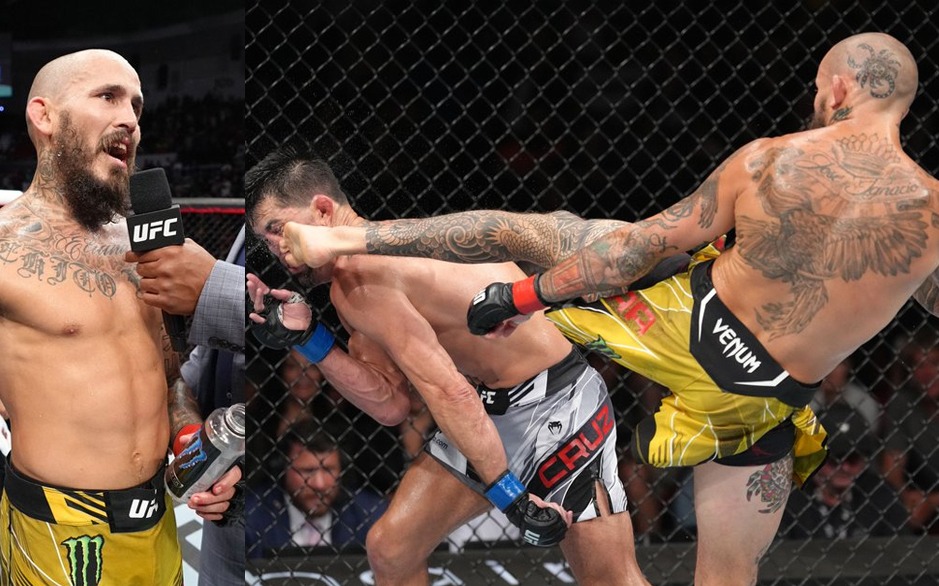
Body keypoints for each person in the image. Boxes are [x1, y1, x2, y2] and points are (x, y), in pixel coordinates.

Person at [281, 32, 939, 585]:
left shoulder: (770, 160)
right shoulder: (933, 216)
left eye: (819, 89)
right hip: (759, 397)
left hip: (679, 322)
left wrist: (523, 295)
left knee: (529, 234)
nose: (816, 101)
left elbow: (636, 249)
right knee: (727, 574)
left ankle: (352, 238)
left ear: (839, 89)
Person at [246, 147, 650, 585]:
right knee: (392, 549)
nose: (278, 250)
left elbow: (449, 390)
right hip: (491, 409)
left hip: (559, 405)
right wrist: (309, 339)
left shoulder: (364, 277)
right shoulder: (354, 280)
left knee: (610, 579)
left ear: (323, 210)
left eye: (278, 230)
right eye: (267, 241)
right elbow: (391, 403)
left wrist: (511, 498)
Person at [0, 49, 235, 585]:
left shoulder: (153, 251)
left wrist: (190, 438)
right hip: (57, 534)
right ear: (44, 116)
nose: (129, 118)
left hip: (158, 522)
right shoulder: (4, 248)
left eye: (136, 105)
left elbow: (170, 379)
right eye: (107, 96)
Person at [126, 224, 247, 586]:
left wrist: (213, 284)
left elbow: (300, 323)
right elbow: (205, 362)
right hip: (224, 514)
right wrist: (196, 440)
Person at [246, 418, 388, 558]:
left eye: (328, 470)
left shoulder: (371, 515)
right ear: (283, 470)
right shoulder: (251, 518)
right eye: (308, 471)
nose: (320, 485)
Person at [780, 402, 908, 539]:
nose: (845, 467)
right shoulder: (789, 501)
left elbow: (902, 547)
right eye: (835, 460)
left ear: (864, 459)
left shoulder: (881, 496)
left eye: (852, 459)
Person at [882, 331, 939, 534]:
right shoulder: (904, 403)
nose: (928, 373)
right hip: (920, 495)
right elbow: (892, 467)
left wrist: (932, 501)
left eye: (935, 363)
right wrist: (905, 497)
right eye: (919, 365)